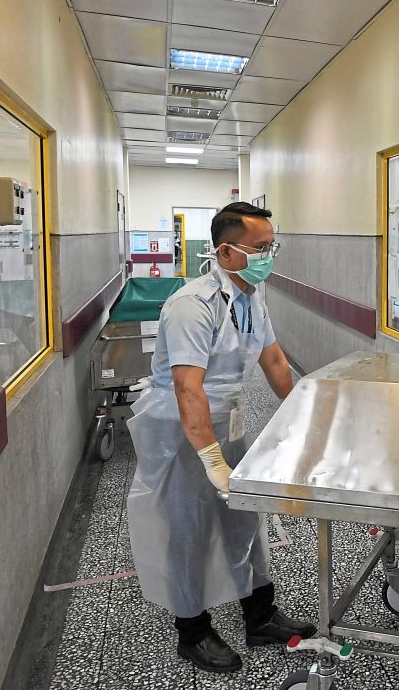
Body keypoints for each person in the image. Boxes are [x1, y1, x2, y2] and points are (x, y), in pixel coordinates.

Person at [125, 202, 315, 674]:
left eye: (273, 246)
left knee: (242, 520)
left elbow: (274, 362)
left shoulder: (252, 296)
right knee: (189, 530)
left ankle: (259, 615)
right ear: (227, 252)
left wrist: (304, 415)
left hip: (227, 418)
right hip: (180, 430)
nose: (270, 255)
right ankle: (191, 632)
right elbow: (189, 389)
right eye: (261, 248)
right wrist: (212, 460)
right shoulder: (192, 306)